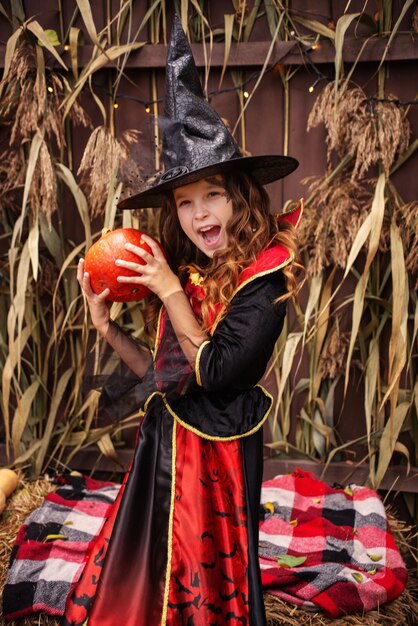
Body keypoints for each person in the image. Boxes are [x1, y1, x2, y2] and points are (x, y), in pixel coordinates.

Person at [62, 15, 301, 626]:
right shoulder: (192, 271)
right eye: (184, 202)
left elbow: (216, 373)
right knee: (142, 589)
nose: (198, 215)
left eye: (213, 194)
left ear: (241, 195)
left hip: (215, 467)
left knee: (204, 589)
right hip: (163, 451)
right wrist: (108, 330)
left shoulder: (266, 284)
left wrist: (169, 290)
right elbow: (168, 374)